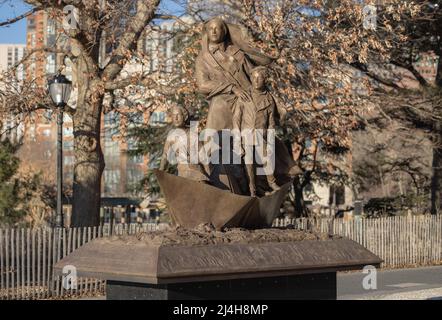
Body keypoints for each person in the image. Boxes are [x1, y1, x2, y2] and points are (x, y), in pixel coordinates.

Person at [233, 66, 281, 197]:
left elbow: (271, 123)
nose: (256, 80)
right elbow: (236, 118)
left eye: (259, 77)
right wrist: (237, 139)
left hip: (261, 135)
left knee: (266, 158)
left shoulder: (269, 99)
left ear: (265, 79)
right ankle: (252, 189)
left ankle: (272, 182)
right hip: (246, 134)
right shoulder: (244, 96)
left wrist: (270, 141)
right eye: (253, 77)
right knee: (248, 164)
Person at [159, 105, 209, 182]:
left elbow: (203, 157)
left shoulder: (193, 134)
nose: (176, 118)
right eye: (173, 115)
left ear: (184, 117)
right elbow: (165, 156)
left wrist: (211, 177)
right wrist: (160, 173)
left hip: (198, 174)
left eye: (178, 115)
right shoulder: (171, 136)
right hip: (183, 175)